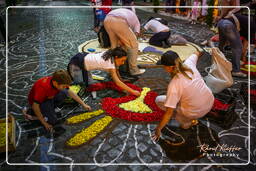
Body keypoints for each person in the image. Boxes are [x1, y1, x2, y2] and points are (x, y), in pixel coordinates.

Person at [152, 48, 214, 141]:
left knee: (159, 100)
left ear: (168, 67)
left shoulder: (174, 84)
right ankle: (191, 117)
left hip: (194, 111)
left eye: (164, 66)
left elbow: (169, 112)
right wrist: (206, 49)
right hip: (209, 102)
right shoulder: (189, 63)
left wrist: (158, 129)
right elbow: (197, 52)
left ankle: (188, 121)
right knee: (183, 98)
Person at [22, 70, 92, 131]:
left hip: (49, 97)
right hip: (41, 102)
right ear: (55, 83)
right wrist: (44, 123)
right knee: (52, 121)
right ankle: (32, 115)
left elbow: (70, 92)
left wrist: (83, 104)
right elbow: (35, 106)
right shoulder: (43, 88)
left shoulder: (59, 82)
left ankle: (49, 110)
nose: (65, 87)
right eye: (63, 86)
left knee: (65, 92)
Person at [67, 47, 141, 96]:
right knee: (79, 87)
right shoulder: (109, 64)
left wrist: (121, 79)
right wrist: (133, 91)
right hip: (77, 63)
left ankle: (74, 74)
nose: (123, 63)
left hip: (84, 58)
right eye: (122, 60)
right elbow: (117, 82)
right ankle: (69, 75)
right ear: (116, 57)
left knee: (90, 85)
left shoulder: (110, 53)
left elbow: (116, 70)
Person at [103, 8, 145, 76]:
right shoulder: (137, 22)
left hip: (107, 19)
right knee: (133, 45)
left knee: (114, 46)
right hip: (119, 21)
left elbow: (122, 37)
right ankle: (134, 70)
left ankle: (113, 68)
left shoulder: (128, 14)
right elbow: (135, 37)